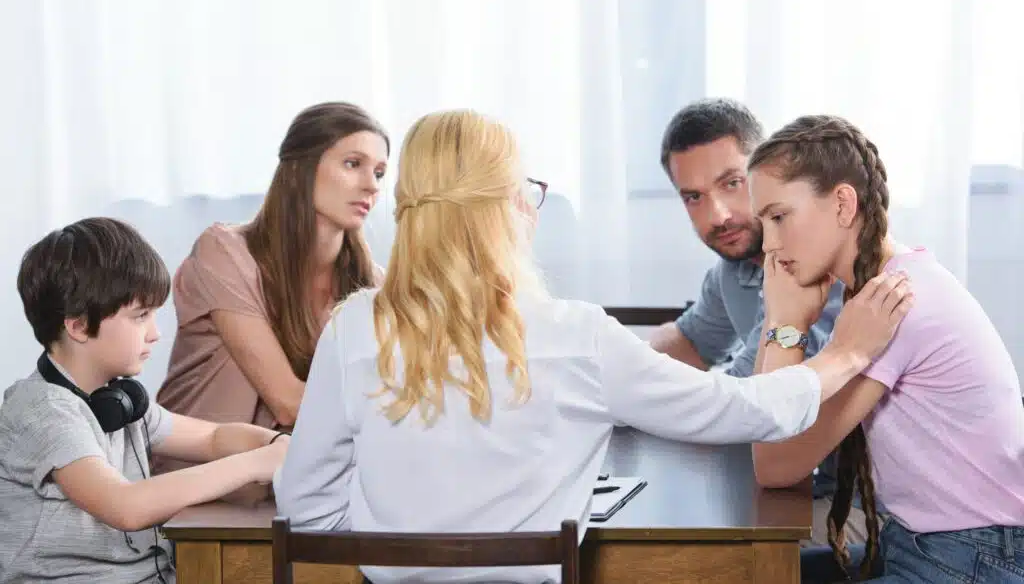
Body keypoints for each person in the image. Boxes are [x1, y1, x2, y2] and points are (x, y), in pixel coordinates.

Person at [273, 108, 911, 584]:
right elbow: (748, 410)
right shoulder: (576, 337)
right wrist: (846, 356)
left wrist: (400, 543)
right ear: (508, 209)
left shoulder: (352, 330)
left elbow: (306, 508)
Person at [747, 115, 1024, 583]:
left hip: (974, 560)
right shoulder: (873, 294)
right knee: (752, 572)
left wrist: (787, 324)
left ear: (842, 203)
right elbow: (771, 428)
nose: (770, 245)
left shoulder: (894, 304)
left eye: (779, 217)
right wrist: (779, 321)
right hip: (921, 544)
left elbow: (777, 463)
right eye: (763, 223)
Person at [0, 217, 289, 584]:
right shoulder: (42, 411)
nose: (156, 333)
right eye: (140, 317)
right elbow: (126, 507)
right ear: (77, 325)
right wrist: (256, 464)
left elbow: (212, 438)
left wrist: (278, 444)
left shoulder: (119, 401)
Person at [648, 98, 860, 549]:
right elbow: (689, 341)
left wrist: (636, 391)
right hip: (793, 491)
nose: (718, 214)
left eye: (732, 183)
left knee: (681, 553)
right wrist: (601, 366)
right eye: (694, 197)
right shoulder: (735, 268)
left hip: (873, 513)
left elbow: (752, 406)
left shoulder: (811, 257)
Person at [154, 102, 389, 482]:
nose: (372, 184)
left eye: (379, 172)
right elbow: (289, 403)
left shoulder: (373, 284)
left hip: (296, 492)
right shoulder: (224, 254)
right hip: (197, 497)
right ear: (301, 167)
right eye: (353, 164)